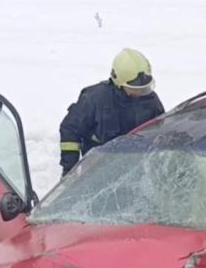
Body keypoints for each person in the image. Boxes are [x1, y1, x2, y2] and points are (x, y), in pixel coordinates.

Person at [59, 48, 165, 176]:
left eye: (144, 88)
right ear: (119, 83)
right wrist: (70, 170)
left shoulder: (151, 101)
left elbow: (161, 131)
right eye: (134, 88)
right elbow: (70, 129)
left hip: (136, 171)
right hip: (97, 171)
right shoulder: (95, 100)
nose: (140, 93)